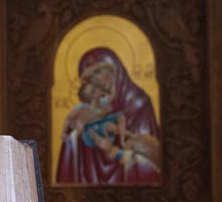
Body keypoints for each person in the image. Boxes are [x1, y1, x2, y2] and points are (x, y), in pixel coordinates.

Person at [56, 47, 161, 184]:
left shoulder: (139, 105)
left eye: (101, 72)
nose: (100, 81)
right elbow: (71, 145)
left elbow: (152, 162)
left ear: (117, 72)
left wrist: (114, 150)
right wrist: (75, 134)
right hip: (88, 190)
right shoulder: (87, 109)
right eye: (91, 79)